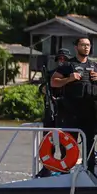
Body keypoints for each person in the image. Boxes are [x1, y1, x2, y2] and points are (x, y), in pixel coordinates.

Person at [50, 38, 97, 172]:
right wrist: (69, 78)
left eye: (88, 45)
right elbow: (53, 82)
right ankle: (66, 172)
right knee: (70, 142)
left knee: (90, 142)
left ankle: (90, 172)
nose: (86, 47)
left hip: (90, 112)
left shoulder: (95, 66)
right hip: (72, 112)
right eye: (83, 45)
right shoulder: (68, 65)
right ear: (76, 47)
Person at [35, 49, 71, 177]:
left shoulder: (72, 75)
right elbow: (42, 88)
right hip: (50, 111)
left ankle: (65, 167)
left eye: (64, 59)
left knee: (64, 141)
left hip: (65, 112)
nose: (62, 61)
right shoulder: (50, 74)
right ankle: (46, 168)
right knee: (48, 140)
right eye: (60, 59)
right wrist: (44, 89)